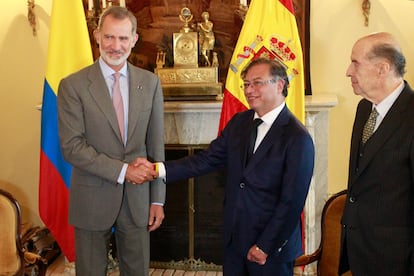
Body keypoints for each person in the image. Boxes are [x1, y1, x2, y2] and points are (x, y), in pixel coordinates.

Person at [148, 57, 315, 275]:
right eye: (246, 84)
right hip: (235, 242)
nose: (249, 90)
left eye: (257, 83)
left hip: (271, 249)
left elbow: (291, 203)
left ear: (280, 85)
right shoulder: (239, 122)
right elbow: (206, 159)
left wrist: (265, 246)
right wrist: (157, 170)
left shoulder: (297, 137)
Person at [57, 6, 164, 276]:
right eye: (109, 37)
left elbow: (155, 147)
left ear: (134, 39)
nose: (116, 46)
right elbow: (72, 147)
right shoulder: (73, 86)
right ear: (96, 36)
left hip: (138, 199)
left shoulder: (150, 83)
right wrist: (123, 171)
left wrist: (158, 200)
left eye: (123, 38)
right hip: (92, 197)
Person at [339, 32, 414, 275]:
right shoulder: (364, 109)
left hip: (396, 260)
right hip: (359, 253)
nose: (348, 71)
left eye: (355, 62)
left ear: (382, 68)